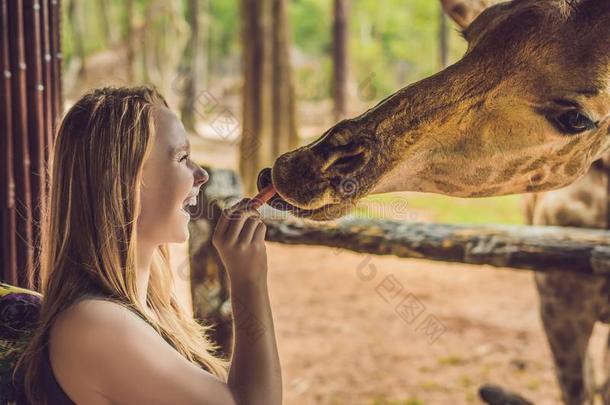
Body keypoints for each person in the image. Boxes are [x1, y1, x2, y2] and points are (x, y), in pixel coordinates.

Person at [13, 86, 282, 405]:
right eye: (183, 158)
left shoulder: (144, 305)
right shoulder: (95, 325)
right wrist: (248, 279)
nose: (201, 175)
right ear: (125, 184)